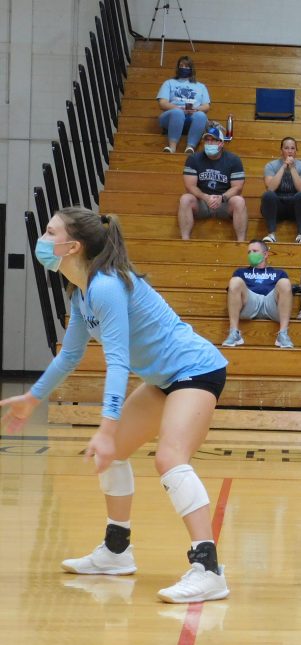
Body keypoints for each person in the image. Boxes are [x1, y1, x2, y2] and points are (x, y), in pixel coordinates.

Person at [0, 207, 231, 603]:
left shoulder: (107, 287)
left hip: (196, 370)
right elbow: (70, 356)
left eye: (49, 231)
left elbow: (119, 362)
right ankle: (117, 551)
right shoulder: (81, 293)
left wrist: (106, 430)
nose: (42, 237)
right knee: (116, 454)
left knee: (170, 458)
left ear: (72, 246)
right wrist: (33, 397)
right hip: (164, 379)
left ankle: (208, 570)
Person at [178, 125, 247, 243]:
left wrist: (222, 197)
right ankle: (185, 241)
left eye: (213, 140)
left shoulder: (234, 160)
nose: (209, 143)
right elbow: (190, 186)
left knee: (239, 201)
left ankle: (241, 243)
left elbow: (238, 187)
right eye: (207, 140)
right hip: (202, 201)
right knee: (185, 199)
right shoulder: (193, 159)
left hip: (224, 202)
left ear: (221, 143)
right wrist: (205, 197)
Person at [222, 239, 294, 350]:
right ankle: (234, 333)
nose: (251, 254)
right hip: (249, 304)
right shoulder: (241, 272)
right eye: (249, 252)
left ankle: (283, 334)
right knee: (235, 281)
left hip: (271, 304)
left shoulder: (279, 273)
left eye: (254, 251)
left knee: (285, 282)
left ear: (265, 254)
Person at [261, 137, 301, 245]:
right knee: (268, 195)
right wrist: (284, 166)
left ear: (296, 151)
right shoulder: (271, 166)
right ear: (281, 151)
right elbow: (270, 188)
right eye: (286, 148)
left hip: (296, 208)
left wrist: (292, 168)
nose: (289, 151)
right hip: (277, 207)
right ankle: (271, 234)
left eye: (292, 148)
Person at [156, 55, 210, 154]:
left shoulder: (201, 86)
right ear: (178, 67)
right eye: (181, 66)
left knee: (201, 115)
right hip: (171, 117)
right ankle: (172, 147)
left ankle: (190, 147)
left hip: (192, 117)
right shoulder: (169, 83)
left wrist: (195, 109)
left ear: (191, 69)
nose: (184, 68)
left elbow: (206, 106)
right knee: (177, 113)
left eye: (186, 66)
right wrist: (179, 108)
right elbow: (162, 103)